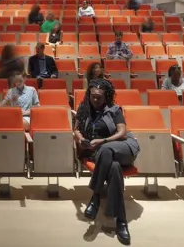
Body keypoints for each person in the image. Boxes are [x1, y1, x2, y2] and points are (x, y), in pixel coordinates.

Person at [76, 78, 139, 245]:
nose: (95, 100)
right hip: (100, 153)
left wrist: (103, 141)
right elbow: (76, 130)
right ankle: (121, 222)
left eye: (99, 97)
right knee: (115, 168)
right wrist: (82, 139)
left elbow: (123, 133)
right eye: (93, 96)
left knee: (107, 150)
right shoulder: (84, 109)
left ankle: (96, 196)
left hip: (123, 148)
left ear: (106, 97)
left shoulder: (114, 109)